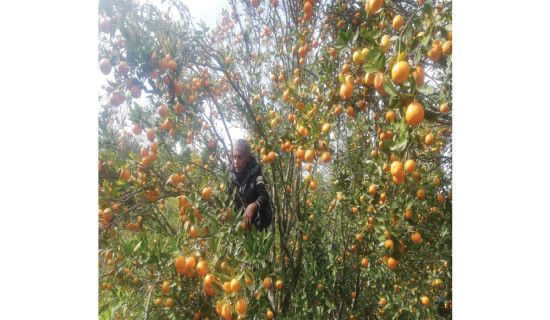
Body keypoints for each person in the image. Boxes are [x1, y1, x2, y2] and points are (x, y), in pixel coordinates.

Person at [228, 139, 272, 232]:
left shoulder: (255, 170)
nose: (236, 161)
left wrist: (253, 206)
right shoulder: (230, 174)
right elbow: (228, 200)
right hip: (241, 225)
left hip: (258, 223)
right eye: (234, 157)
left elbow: (264, 196)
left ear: (247, 157)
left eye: (239, 157)